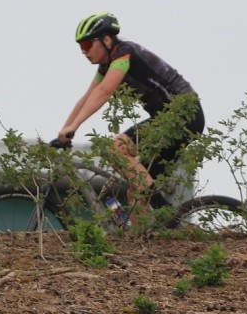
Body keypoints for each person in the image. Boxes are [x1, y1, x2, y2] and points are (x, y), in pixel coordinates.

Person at [55, 11, 205, 211]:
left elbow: (104, 91)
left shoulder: (124, 53)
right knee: (135, 191)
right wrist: (64, 131)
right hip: (169, 120)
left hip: (185, 115)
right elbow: (87, 97)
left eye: (87, 45)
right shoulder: (107, 65)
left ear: (106, 40)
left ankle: (163, 209)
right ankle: (141, 238)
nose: (84, 51)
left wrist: (74, 126)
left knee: (117, 149)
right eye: (81, 47)